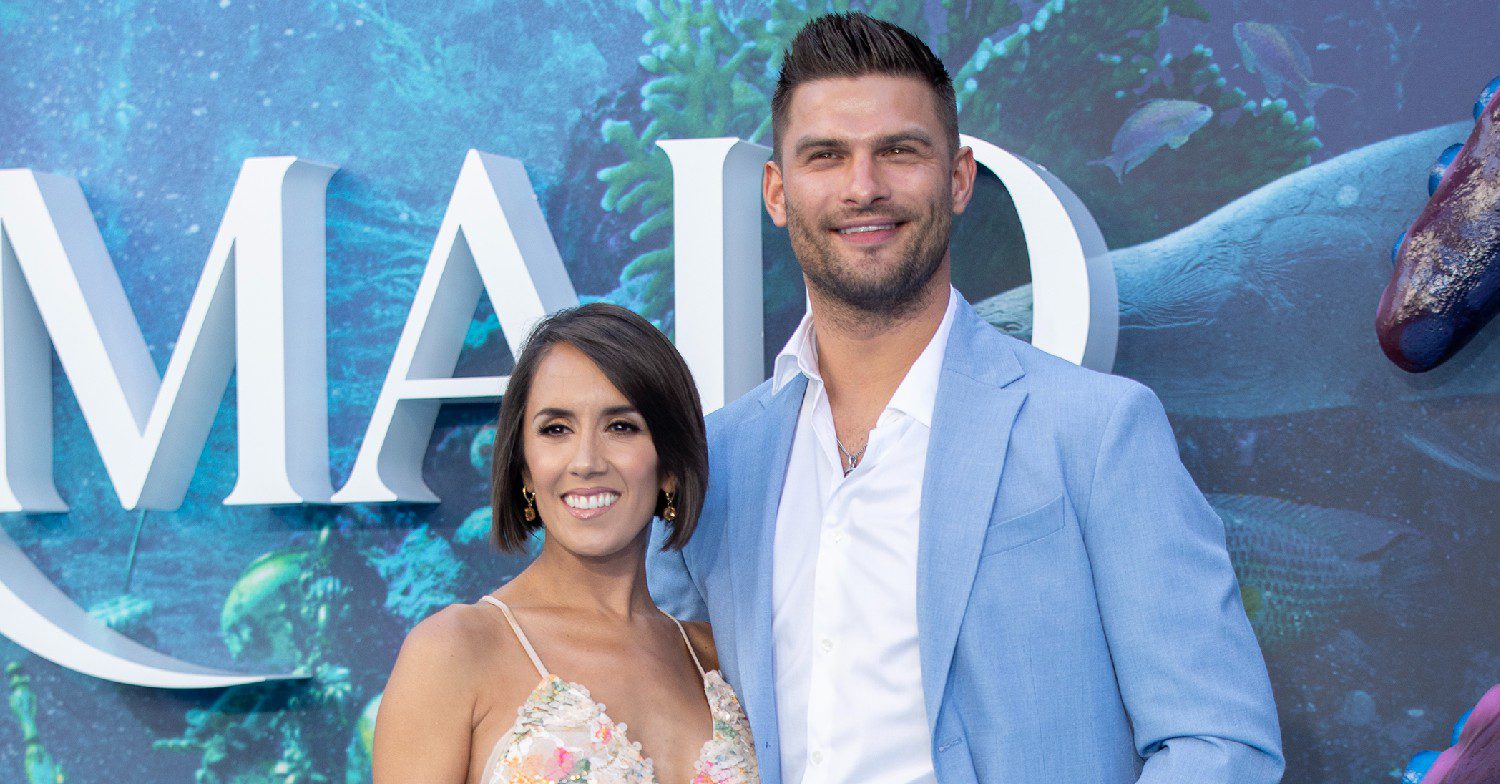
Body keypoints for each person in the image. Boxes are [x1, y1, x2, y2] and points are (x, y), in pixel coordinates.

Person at [648, 12, 1283, 784]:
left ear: (958, 178)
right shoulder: (714, 465)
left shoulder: (1096, 432)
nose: (864, 187)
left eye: (899, 151)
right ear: (777, 193)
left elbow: (1218, 742)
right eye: (826, 156)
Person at [374, 303, 758, 784]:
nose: (586, 461)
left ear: (669, 467)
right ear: (524, 469)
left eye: (622, 426)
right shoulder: (455, 651)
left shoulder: (715, 657)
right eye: (556, 429)